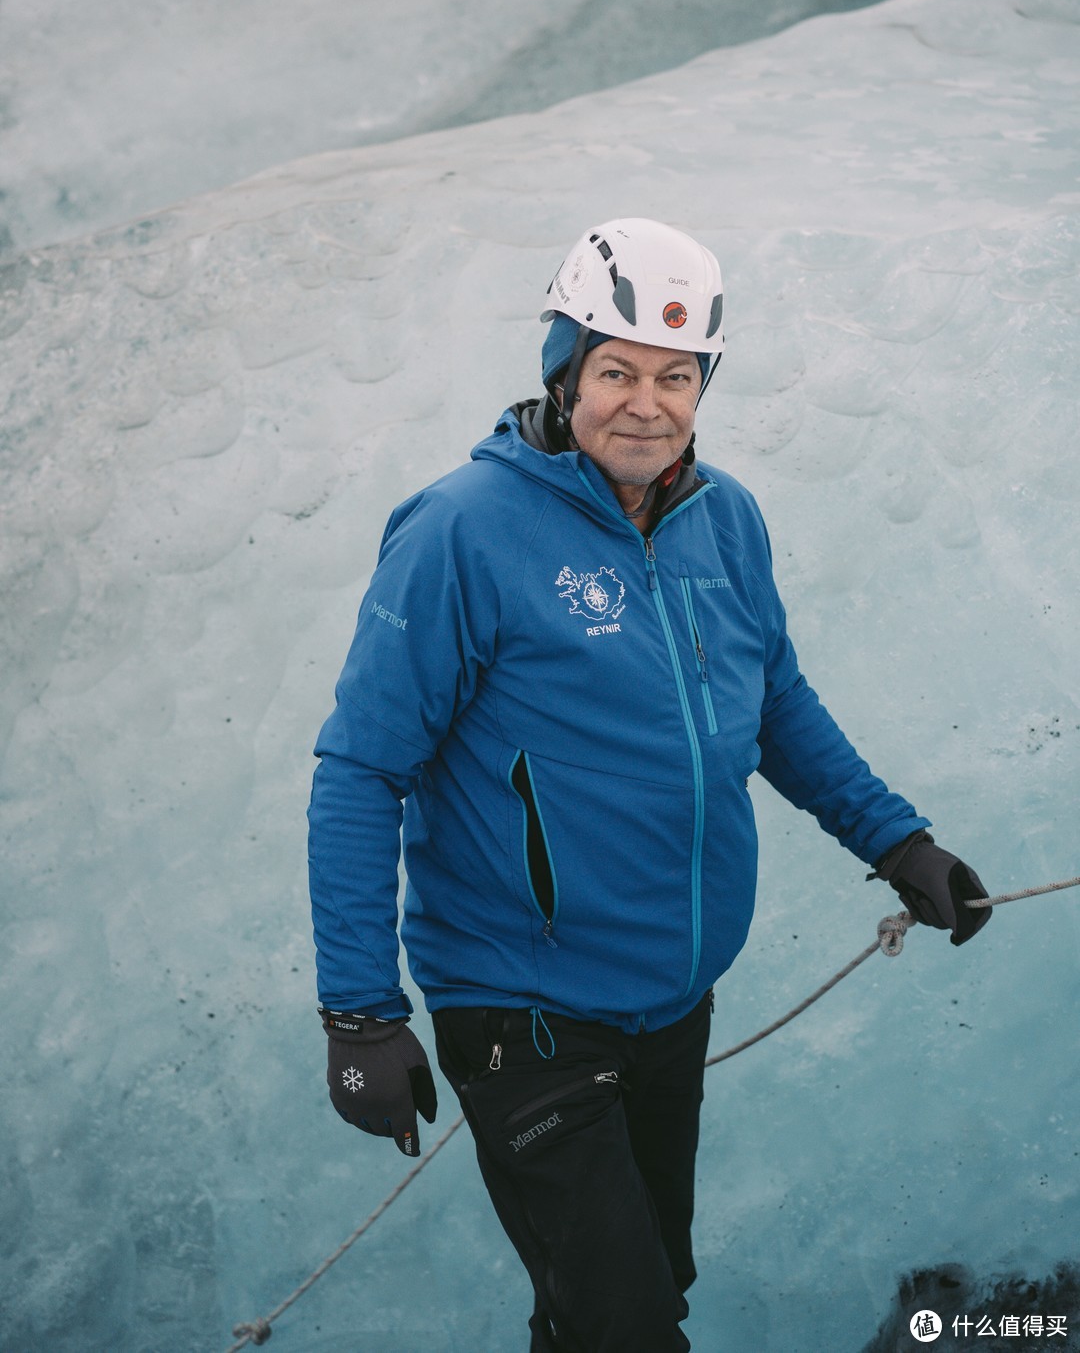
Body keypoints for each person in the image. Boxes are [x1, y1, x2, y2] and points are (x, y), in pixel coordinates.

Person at [306, 217, 991, 1352]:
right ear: (562, 372)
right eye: (615, 371)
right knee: (624, 1327)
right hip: (520, 1007)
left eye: (677, 378)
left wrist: (897, 843)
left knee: (631, 1297)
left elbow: (773, 706)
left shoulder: (723, 519)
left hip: (671, 1001)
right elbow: (360, 770)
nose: (646, 403)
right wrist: (360, 1015)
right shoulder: (463, 533)